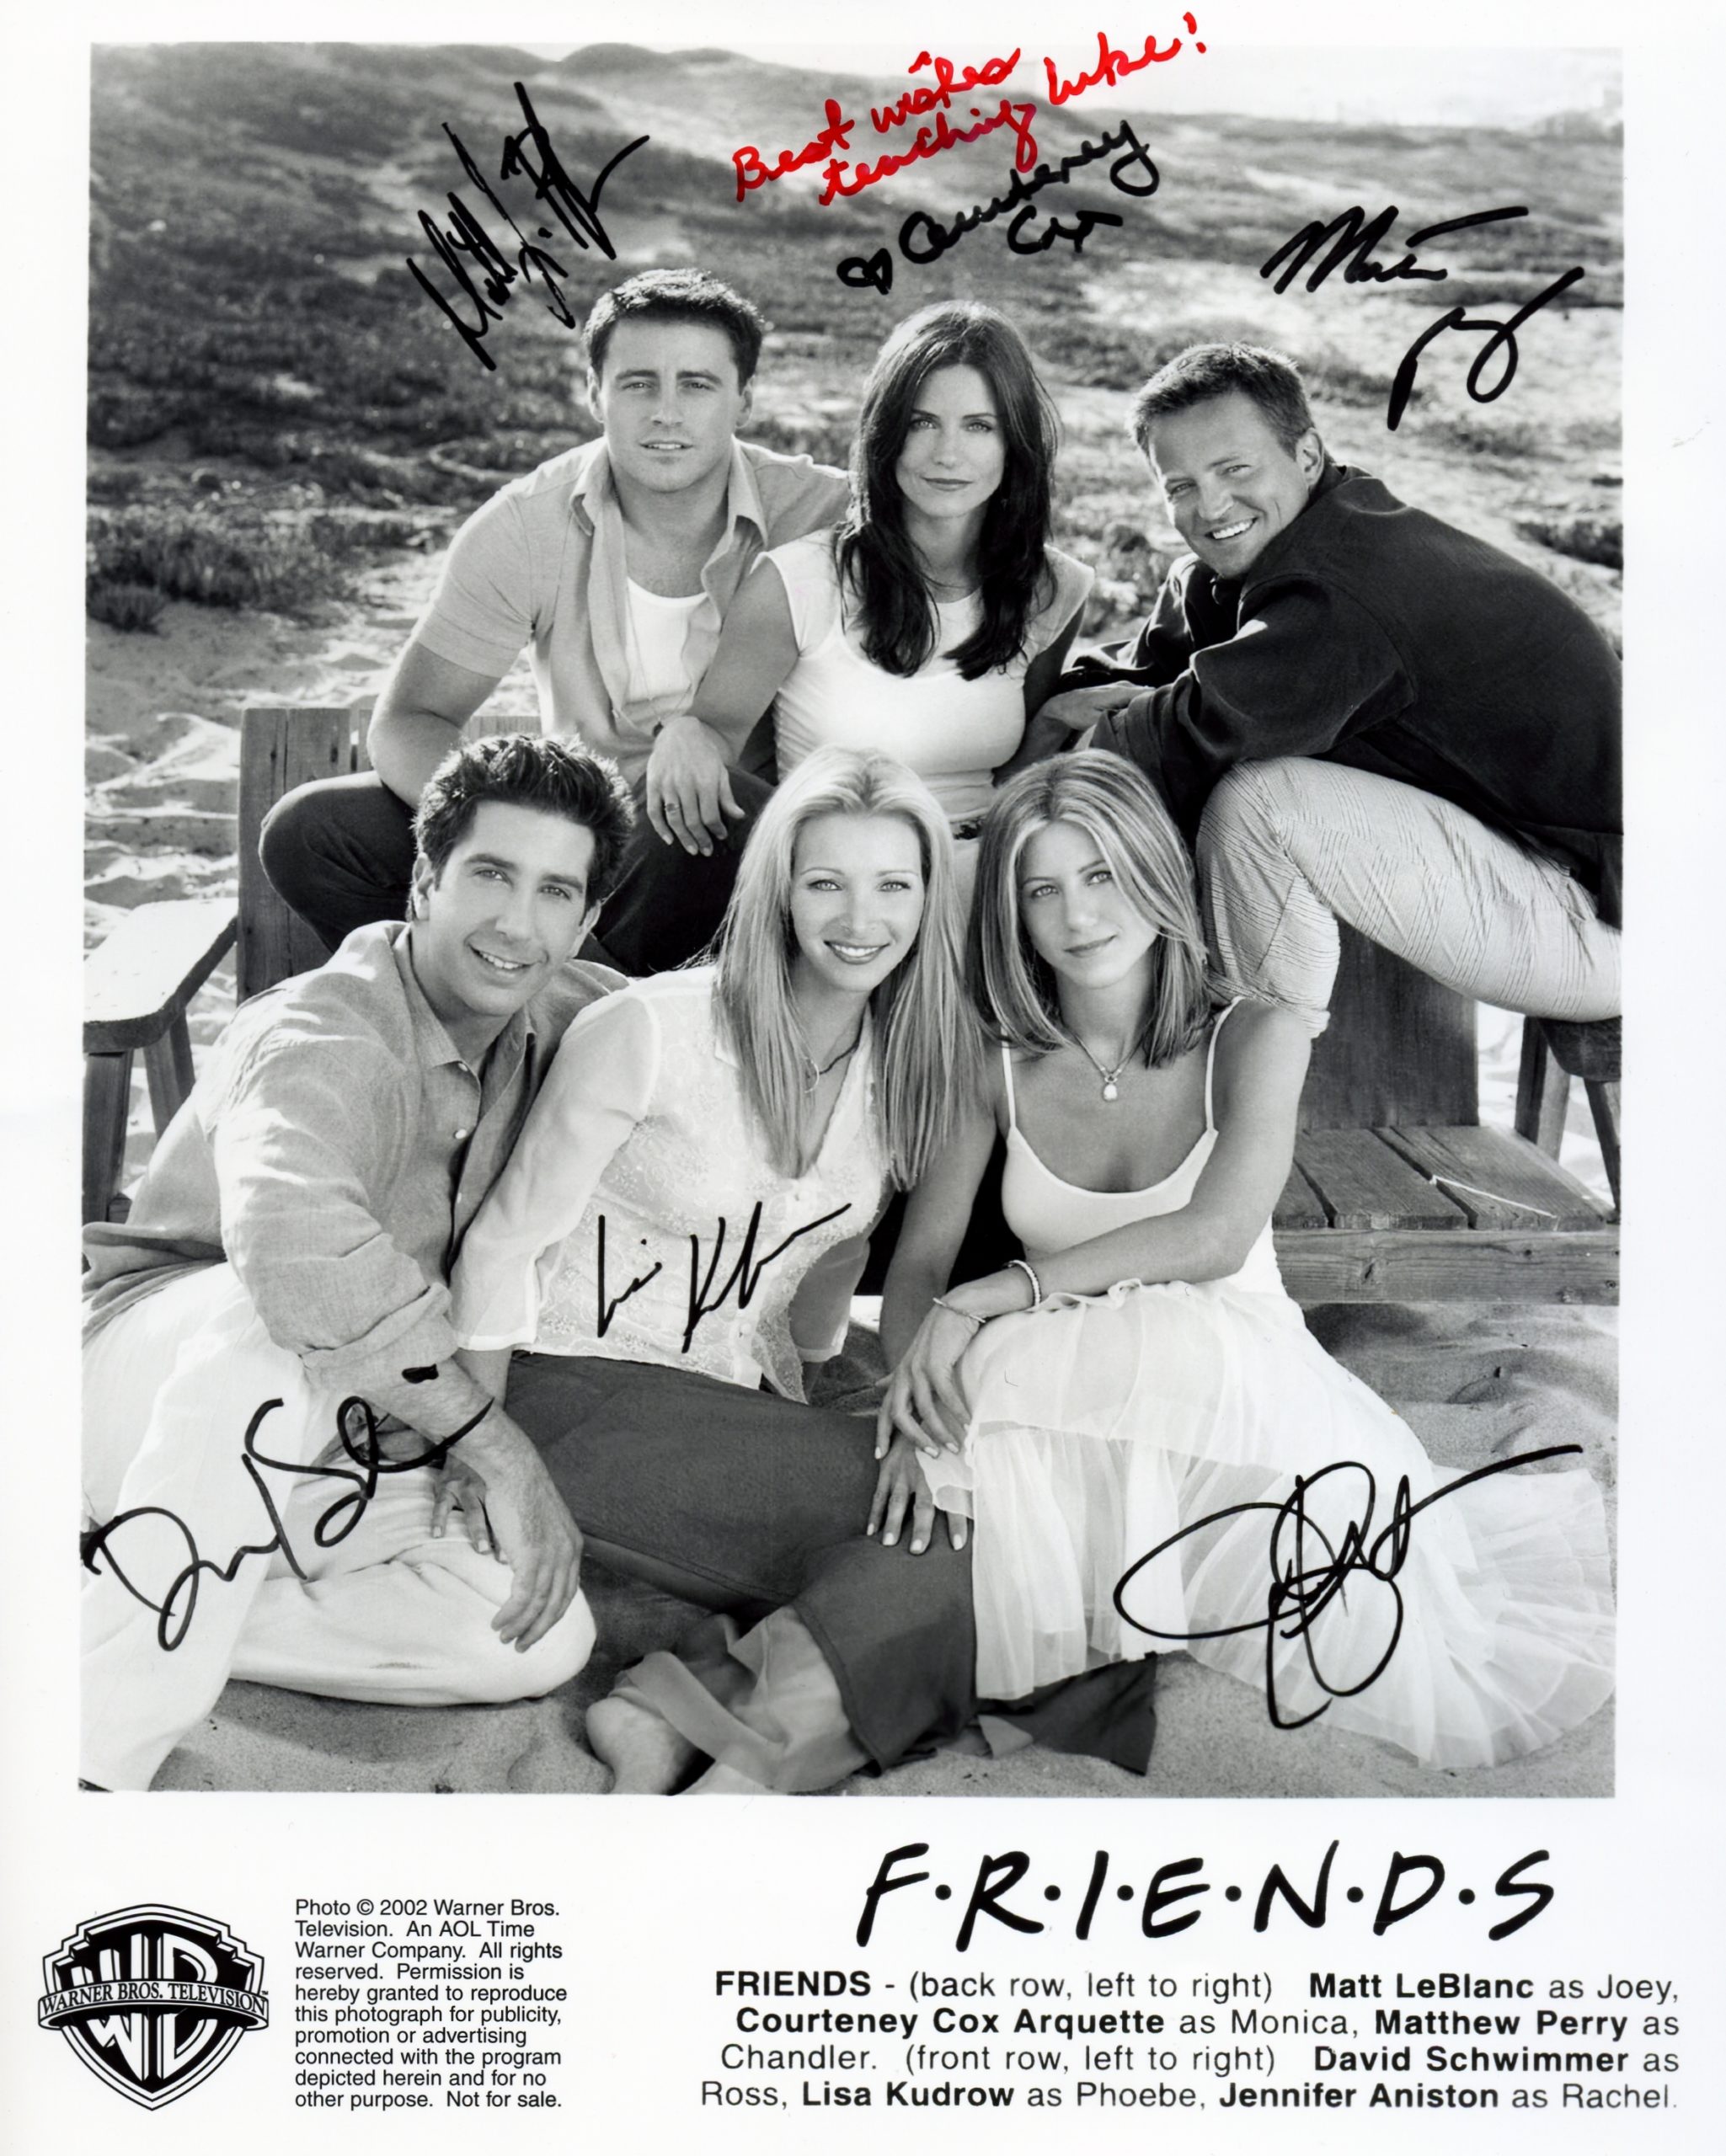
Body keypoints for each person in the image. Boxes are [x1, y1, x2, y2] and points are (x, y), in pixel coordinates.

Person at [876, 751, 1615, 1769]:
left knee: (1149, 1339)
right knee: (988, 1437)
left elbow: (1214, 1238)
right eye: (1041, 890)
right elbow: (917, 1271)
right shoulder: (991, 1058)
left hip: (1236, 1395)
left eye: (1102, 874)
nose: (1079, 915)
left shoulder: (1258, 1030)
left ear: (1155, 871)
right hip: (1064, 1409)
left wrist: (1000, 1294)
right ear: (1010, 913)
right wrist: (914, 1419)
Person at [80, 735, 635, 1791]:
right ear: (425, 881)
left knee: (532, 1630)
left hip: (344, 1437)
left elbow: (718, 1026)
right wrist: (499, 1448)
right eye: (490, 874)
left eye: (555, 892)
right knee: (271, 1331)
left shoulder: (570, 1015)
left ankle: (130, 1592)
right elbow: (293, 1255)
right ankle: (92, 1752)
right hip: (151, 1390)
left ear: (585, 920)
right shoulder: (320, 1034)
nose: (516, 923)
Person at [258, 268, 848, 970]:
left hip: (739, 856)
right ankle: (558, 995)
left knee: (719, 814)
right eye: (637, 383)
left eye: (696, 384)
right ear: (594, 392)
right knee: (312, 831)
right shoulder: (525, 525)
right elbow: (410, 720)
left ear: (744, 399)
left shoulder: (822, 512)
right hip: (580, 831)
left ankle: (540, 1002)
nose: (666, 412)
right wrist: (517, 833)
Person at [1034, 343, 1620, 1038]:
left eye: (1234, 469)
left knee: (1262, 805)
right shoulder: (1277, 550)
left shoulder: (1345, 583)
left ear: (1307, 455)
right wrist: (1063, 710)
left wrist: (1036, 766)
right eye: (1179, 486)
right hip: (1523, 866)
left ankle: (1246, 1074)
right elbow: (1142, 677)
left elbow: (1176, 740)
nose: (1209, 505)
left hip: (1610, 915)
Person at [614, 300, 1095, 956]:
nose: (947, 453)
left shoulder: (1052, 588)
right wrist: (683, 734)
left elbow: (1013, 779)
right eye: (921, 422)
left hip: (972, 879)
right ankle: (600, 986)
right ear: (885, 433)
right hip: (825, 877)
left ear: (1015, 443)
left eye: (979, 426)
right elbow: (715, 742)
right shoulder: (799, 580)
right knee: (677, 800)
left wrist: (1054, 721)